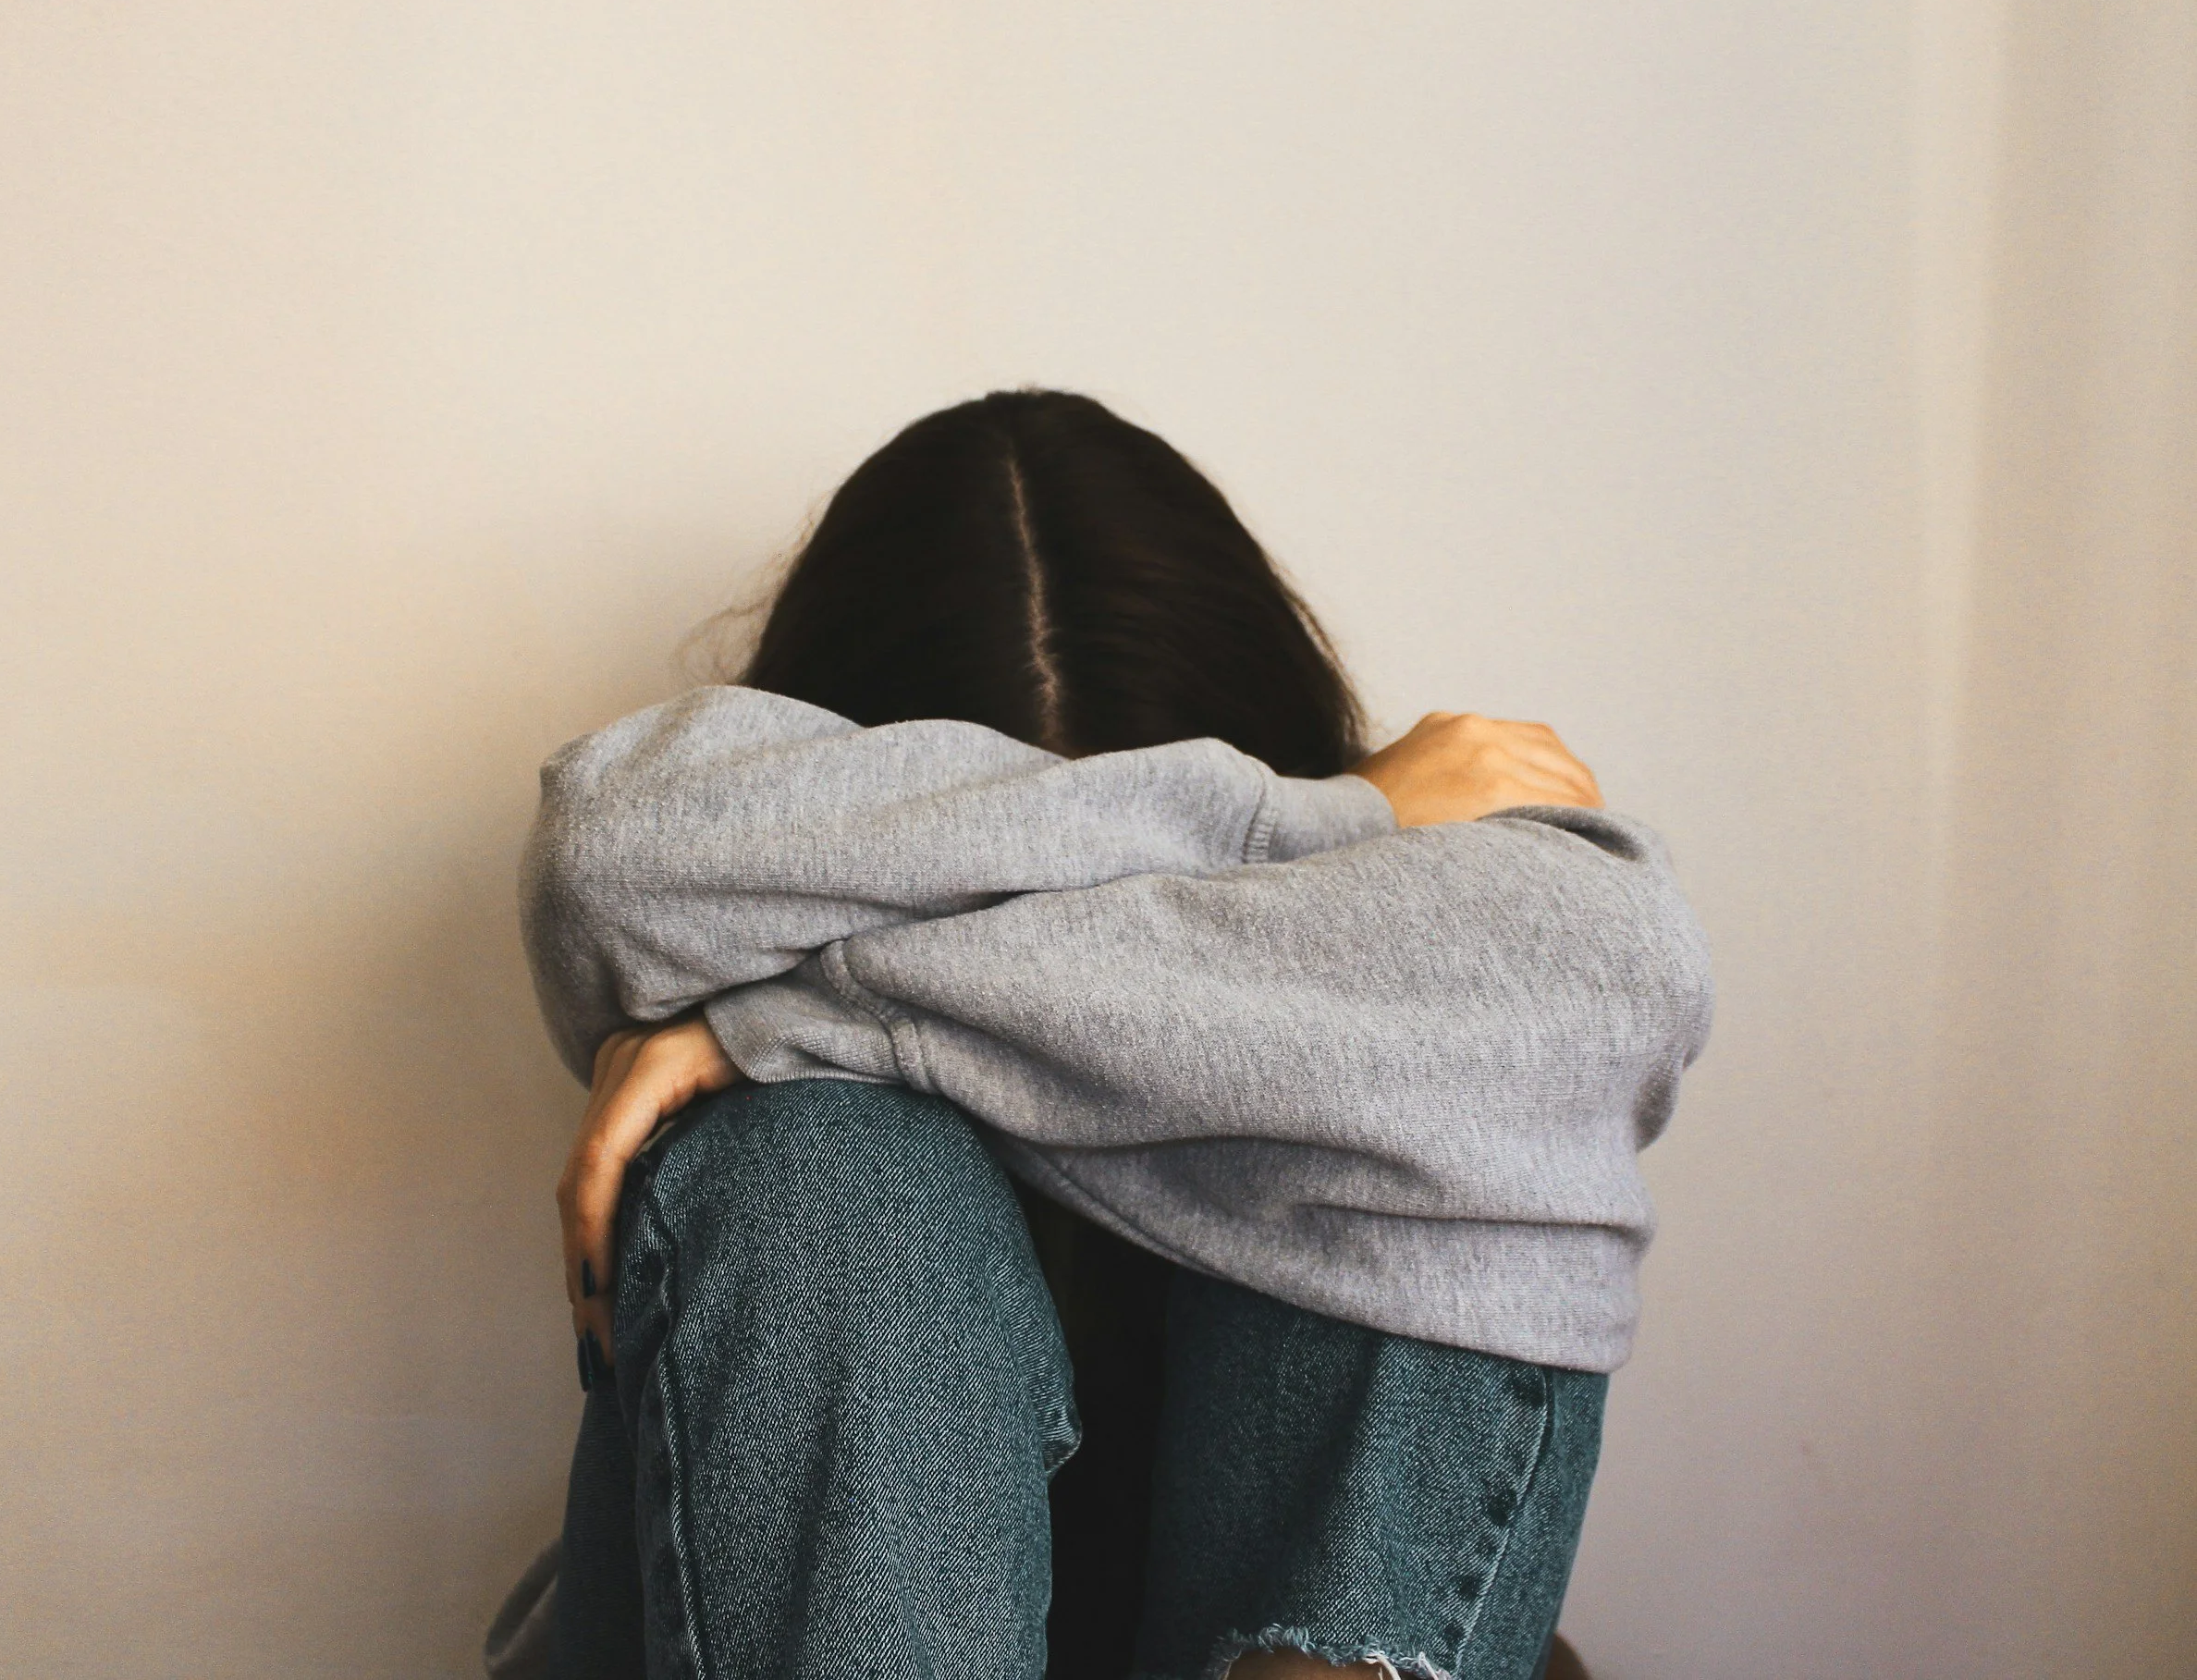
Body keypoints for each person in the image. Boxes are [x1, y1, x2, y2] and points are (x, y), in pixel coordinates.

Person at [511, 390, 1713, 1680]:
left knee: (1429, 1106)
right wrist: (1318, 823)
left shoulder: (786, 978)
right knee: (817, 1159)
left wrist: (796, 1002)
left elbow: (1620, 966)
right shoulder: (1332, 835)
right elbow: (606, 854)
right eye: (996, 860)